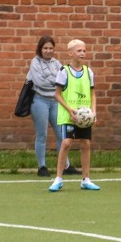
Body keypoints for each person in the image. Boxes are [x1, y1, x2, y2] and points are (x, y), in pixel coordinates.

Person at [48, 39, 100, 192]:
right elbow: (57, 94)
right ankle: (58, 178)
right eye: (79, 51)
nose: (82, 53)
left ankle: (86, 179)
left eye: (84, 50)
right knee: (66, 143)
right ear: (70, 53)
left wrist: (93, 112)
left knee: (86, 143)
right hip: (69, 115)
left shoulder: (89, 72)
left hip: (84, 116)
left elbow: (93, 95)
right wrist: (70, 110)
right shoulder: (64, 71)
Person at [26, 36, 79, 177]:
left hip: (55, 101)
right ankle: (42, 166)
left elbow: (64, 80)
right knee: (42, 134)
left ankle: (66, 166)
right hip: (39, 101)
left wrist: (51, 79)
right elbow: (39, 82)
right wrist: (55, 80)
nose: (48, 51)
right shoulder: (35, 62)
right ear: (40, 49)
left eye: (51, 48)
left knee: (61, 135)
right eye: (45, 48)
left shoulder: (56, 63)